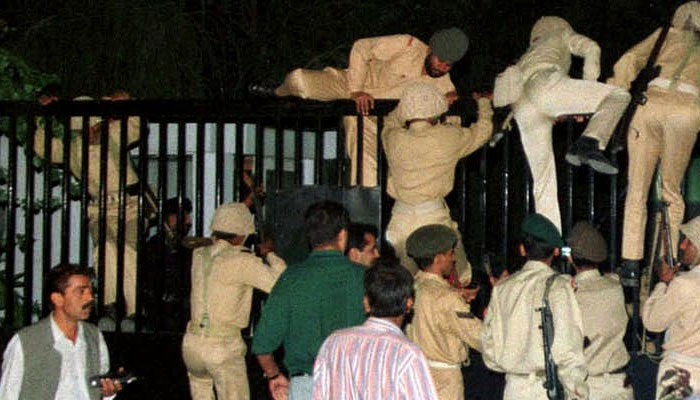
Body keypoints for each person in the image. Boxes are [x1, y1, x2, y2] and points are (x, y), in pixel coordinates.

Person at [272, 28, 468, 186]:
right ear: (429, 50)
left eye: (449, 65)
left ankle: (365, 224)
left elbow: (453, 124)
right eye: (440, 60)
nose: (442, 67)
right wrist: (357, 90)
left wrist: (453, 105)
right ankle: (274, 93)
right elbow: (361, 47)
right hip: (351, 85)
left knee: (367, 175)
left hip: (369, 117)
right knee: (299, 80)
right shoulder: (407, 45)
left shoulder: (444, 86)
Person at [495, 16, 631, 232]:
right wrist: (587, 92)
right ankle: (590, 141)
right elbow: (591, 48)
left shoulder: (528, 53)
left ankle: (547, 242)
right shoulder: (560, 33)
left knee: (543, 180)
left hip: (522, 104)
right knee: (619, 95)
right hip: (545, 83)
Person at [608, 1, 700, 274]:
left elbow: (628, 60)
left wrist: (615, 92)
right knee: (672, 190)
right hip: (687, 108)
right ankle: (667, 259)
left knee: (637, 189)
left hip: (651, 103)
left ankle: (630, 261)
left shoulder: (666, 35)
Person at [33, 91, 143, 318]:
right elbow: (43, 147)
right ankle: (110, 304)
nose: (90, 133)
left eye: (92, 126)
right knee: (105, 249)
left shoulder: (115, 133)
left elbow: (135, 125)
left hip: (129, 206)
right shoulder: (73, 147)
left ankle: (134, 309)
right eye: (83, 128)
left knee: (128, 252)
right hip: (99, 209)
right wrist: (45, 115)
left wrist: (127, 103)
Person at [252, 201, 366, 400]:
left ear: (310, 237)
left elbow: (262, 345)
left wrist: (275, 375)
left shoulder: (291, 278)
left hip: (306, 386)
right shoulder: (364, 278)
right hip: (355, 384)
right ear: (342, 235)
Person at [382, 82, 493, 283]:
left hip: (400, 220)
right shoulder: (448, 136)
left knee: (405, 284)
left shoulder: (394, 138)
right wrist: (484, 104)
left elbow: (390, 121)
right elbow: (483, 131)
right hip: (433, 217)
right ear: (436, 111)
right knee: (458, 278)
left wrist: (408, 105)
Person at [181, 202, 286, 400]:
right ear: (241, 235)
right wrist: (270, 254)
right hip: (222, 346)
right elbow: (281, 285)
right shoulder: (243, 261)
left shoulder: (198, 255)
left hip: (192, 345)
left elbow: (211, 245)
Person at [482, 213, 588, 400]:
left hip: (513, 389)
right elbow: (568, 350)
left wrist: (512, 365)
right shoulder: (559, 287)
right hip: (545, 389)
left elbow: (489, 348)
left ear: (523, 250)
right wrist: (577, 391)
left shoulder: (502, 289)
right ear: (555, 251)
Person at [312, 261, 439, 400]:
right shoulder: (406, 353)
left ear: (366, 303)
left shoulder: (334, 343)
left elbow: (319, 393)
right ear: (409, 304)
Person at [0, 263, 123, 399]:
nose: (90, 298)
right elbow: (7, 394)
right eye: (81, 291)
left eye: (90, 291)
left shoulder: (94, 336)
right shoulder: (25, 342)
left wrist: (108, 393)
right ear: (57, 299)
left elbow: (99, 390)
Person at [404, 224, 483, 400]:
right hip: (445, 383)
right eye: (450, 253)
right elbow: (479, 336)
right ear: (438, 258)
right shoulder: (447, 298)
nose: (453, 259)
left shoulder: (411, 288)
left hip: (416, 376)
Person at [568, 221, 632, 400]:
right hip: (619, 383)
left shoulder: (570, 295)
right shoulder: (614, 286)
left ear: (570, 258)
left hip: (587, 387)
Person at [642, 215, 700, 399]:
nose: (682, 246)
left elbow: (652, 322)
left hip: (681, 376)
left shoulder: (685, 284)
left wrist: (663, 283)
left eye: (688, 241)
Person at [142, 197, 193, 331]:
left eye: (187, 216)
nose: (188, 221)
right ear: (168, 218)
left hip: (184, 316)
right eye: (182, 216)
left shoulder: (190, 247)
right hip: (158, 315)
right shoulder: (152, 246)